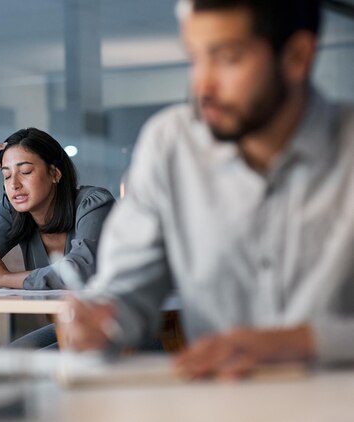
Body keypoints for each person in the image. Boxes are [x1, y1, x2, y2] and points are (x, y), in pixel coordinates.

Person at [60, 0, 354, 379]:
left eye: (228, 59)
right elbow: (125, 292)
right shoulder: (170, 145)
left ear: (297, 57)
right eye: (195, 58)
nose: (202, 85)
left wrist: (298, 342)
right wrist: (100, 320)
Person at [0, 128, 114, 347]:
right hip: (73, 321)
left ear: (55, 173)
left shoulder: (93, 203)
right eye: (6, 175)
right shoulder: (13, 212)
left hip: (121, 322)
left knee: (28, 367)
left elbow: (80, 270)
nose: (14, 184)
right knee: (8, 359)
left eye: (25, 171)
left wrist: (4, 278)